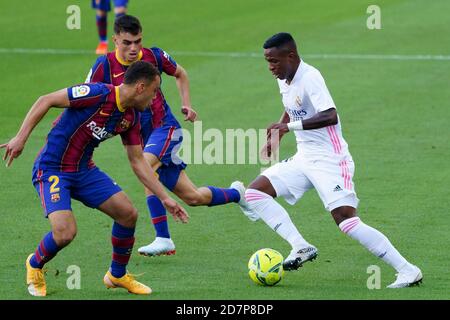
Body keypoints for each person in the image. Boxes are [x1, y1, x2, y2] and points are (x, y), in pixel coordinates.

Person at [236, 32, 422, 288]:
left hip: (330, 160)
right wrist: (279, 130)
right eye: (267, 61)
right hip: (304, 158)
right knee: (255, 193)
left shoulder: (310, 77)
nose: (270, 67)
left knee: (346, 221)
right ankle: (301, 246)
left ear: (291, 56)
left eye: (274, 61)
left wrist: (288, 129)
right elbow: (291, 107)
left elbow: (330, 115)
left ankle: (408, 270)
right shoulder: (284, 78)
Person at [1, 61, 189, 297]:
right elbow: (45, 100)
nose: (155, 99)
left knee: (127, 214)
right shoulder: (97, 93)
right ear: (141, 87)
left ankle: (116, 275)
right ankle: (35, 264)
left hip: (84, 170)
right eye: (154, 92)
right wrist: (21, 138)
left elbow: (137, 161)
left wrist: (165, 198)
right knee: (64, 232)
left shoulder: (131, 117)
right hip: (52, 169)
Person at [87, 15, 246, 257]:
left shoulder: (154, 56)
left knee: (145, 167)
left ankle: (162, 237)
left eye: (138, 41)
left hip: (166, 129)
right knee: (193, 197)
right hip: (138, 137)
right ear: (115, 40)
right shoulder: (104, 66)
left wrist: (187, 104)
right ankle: (238, 194)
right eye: (127, 42)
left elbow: (181, 73)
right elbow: (87, 97)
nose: (133, 48)